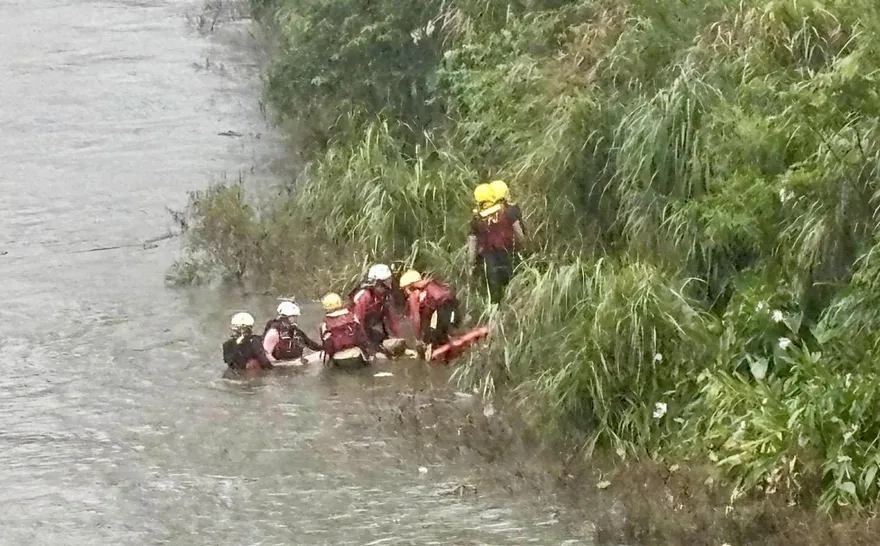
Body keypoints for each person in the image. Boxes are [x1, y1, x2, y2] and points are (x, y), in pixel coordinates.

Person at [467, 180, 527, 304]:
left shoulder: (477, 219)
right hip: (510, 254)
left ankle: (495, 318)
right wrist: (524, 247)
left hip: (490, 260)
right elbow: (520, 234)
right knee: (517, 288)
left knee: (494, 297)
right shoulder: (506, 211)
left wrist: (471, 264)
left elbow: (472, 245)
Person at [399, 269, 460, 356]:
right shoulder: (433, 286)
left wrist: (418, 339)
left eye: (404, 289)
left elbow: (416, 318)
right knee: (450, 333)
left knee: (438, 338)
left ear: (409, 287)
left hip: (442, 308)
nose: (405, 293)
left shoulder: (415, 294)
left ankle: (442, 360)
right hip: (453, 306)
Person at [319, 292, 387, 369]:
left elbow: (327, 346)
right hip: (357, 356)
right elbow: (362, 337)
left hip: (338, 359)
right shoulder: (353, 317)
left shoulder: (324, 324)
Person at [350, 264, 400, 345]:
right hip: (357, 330)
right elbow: (358, 323)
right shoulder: (365, 297)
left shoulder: (386, 296)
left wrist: (398, 339)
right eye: (384, 284)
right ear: (376, 283)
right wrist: (366, 345)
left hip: (371, 325)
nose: (388, 285)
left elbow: (393, 320)